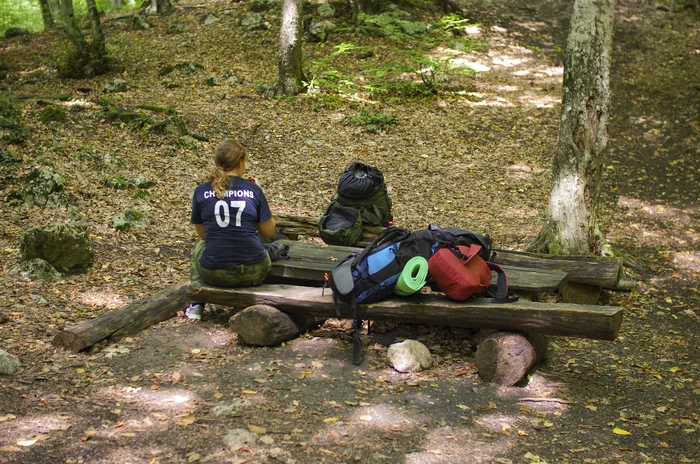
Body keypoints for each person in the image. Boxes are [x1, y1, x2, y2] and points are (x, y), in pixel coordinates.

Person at [185, 139, 286, 320]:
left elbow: (203, 235)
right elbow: (269, 232)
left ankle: (196, 305)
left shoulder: (201, 191)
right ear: (240, 162)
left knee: (200, 246)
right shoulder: (252, 189)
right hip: (253, 272)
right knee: (262, 246)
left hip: (214, 273)